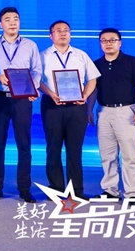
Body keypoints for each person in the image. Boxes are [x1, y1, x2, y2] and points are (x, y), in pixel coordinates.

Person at [0, 7, 42, 203]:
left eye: (16, 19)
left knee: (24, 144)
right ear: (0, 24)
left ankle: (24, 188)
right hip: (0, 97)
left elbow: (36, 70)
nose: (12, 22)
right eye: (7, 19)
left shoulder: (30, 45)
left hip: (22, 99)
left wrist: (32, 88)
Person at [38, 20, 100, 199]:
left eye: (66, 30)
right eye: (58, 30)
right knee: (53, 148)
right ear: (51, 36)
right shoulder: (42, 56)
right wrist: (50, 93)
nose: (63, 33)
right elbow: (37, 80)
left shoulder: (81, 55)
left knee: (75, 150)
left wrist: (85, 96)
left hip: (77, 106)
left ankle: (76, 191)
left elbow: (92, 79)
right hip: (52, 105)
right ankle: (56, 189)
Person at [93, 28, 135, 206]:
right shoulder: (96, 64)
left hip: (126, 112)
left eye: (112, 40)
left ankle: (133, 193)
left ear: (120, 42)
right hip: (103, 112)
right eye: (104, 40)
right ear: (100, 43)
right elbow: (93, 90)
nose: (108, 43)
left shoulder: (133, 62)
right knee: (107, 154)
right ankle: (111, 191)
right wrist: (88, 110)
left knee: (130, 155)